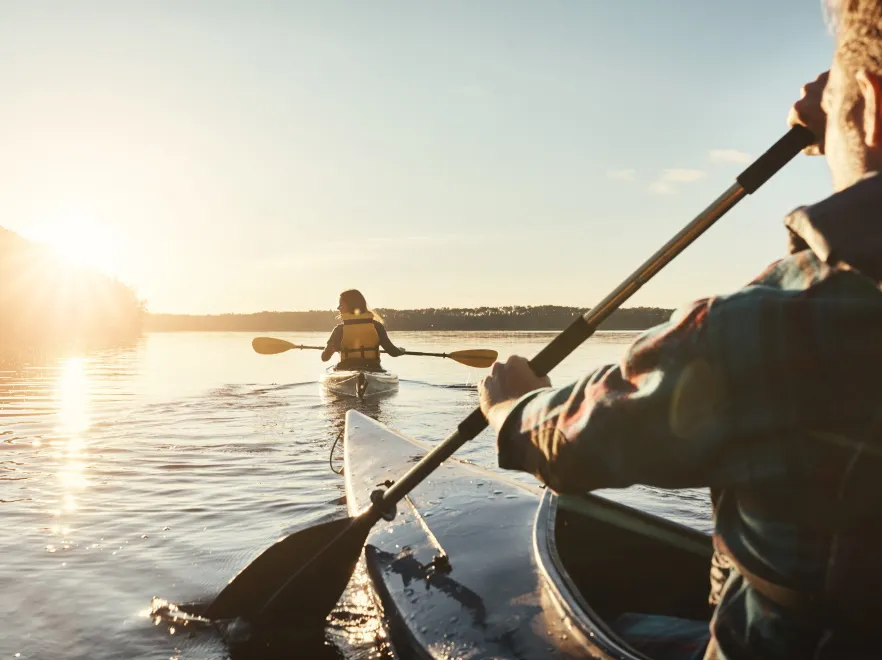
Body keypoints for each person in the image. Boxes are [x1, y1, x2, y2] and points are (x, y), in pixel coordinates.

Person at [478, 2, 882, 658]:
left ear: (869, 101)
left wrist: (513, 407)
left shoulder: (768, 328)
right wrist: (848, 114)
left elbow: (573, 442)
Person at [321, 289, 404, 371]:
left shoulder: (339, 330)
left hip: (345, 368)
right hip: (373, 368)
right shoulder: (377, 326)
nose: (338, 308)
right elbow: (393, 352)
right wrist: (402, 350)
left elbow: (324, 358)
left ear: (351, 305)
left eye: (341, 305)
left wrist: (329, 351)